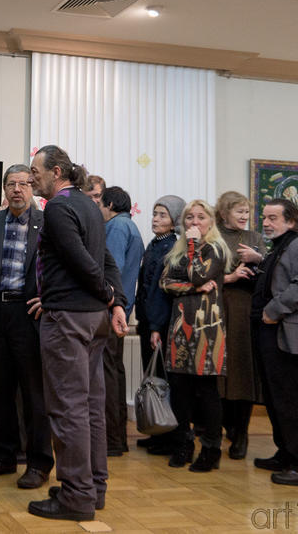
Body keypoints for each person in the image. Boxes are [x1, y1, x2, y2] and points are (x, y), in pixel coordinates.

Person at [26, 145, 128, 522]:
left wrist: (108, 295)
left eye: (35, 171)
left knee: (67, 408)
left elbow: (84, 262)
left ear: (56, 172)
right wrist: (115, 302)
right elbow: (106, 261)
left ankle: (76, 496)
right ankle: (93, 488)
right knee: (89, 406)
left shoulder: (57, 207)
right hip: (93, 319)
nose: (32, 177)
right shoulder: (89, 205)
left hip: (68, 319)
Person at [0, 164, 53, 489]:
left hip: (30, 316)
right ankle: (2, 456)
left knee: (34, 395)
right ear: (4, 189)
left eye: (24, 184)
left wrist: (50, 298)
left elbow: (58, 267)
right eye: (11, 184)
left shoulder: (46, 222)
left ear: (32, 188)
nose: (17, 189)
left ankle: (39, 464)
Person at [251, 198, 298, 486]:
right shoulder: (278, 247)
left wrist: (273, 310)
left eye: (273, 218)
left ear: (291, 221)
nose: (266, 223)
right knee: (276, 399)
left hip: (289, 335)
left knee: (294, 402)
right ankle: (286, 454)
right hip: (271, 334)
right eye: (265, 217)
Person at [160, 199, 230, 472]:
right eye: (190, 217)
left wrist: (193, 245)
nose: (195, 222)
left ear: (211, 222)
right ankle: (184, 444)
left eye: (201, 217)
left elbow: (199, 274)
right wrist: (192, 289)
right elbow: (165, 282)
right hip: (180, 326)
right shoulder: (177, 250)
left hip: (207, 328)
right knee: (180, 390)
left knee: (206, 391)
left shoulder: (215, 248)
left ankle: (211, 450)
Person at [214, 191, 264, 460]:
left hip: (244, 310)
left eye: (247, 211)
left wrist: (257, 261)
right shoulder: (213, 236)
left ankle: (242, 433)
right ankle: (225, 425)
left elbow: (267, 275)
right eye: (239, 211)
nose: (245, 216)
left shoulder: (255, 238)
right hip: (217, 307)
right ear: (224, 213)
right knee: (218, 368)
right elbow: (203, 273)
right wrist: (230, 276)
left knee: (242, 370)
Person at [134, 195, 185, 453]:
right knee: (152, 378)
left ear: (175, 221)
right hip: (148, 320)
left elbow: (160, 291)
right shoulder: (155, 243)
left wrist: (156, 326)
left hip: (161, 323)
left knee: (163, 381)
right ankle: (156, 431)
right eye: (154, 213)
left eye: (162, 215)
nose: (155, 219)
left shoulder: (172, 246)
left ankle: (168, 437)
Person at [98, 186, 144, 456]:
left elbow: (110, 270)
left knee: (107, 376)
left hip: (109, 312)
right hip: (121, 311)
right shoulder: (131, 226)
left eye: (101, 204)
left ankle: (112, 440)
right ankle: (117, 439)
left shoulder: (116, 227)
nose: (99, 210)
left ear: (111, 205)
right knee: (115, 372)